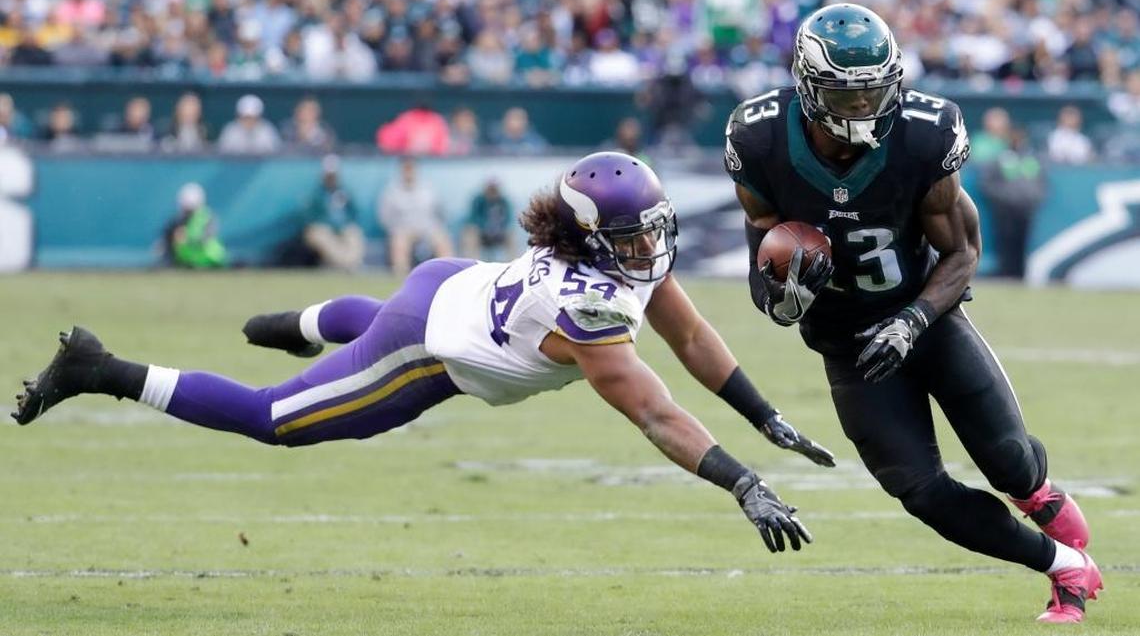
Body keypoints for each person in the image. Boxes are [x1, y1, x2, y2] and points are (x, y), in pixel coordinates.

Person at [13, 152, 835, 555]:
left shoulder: (620, 256)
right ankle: (99, 366)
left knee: (375, 327)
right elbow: (653, 409)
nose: (652, 243)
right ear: (594, 237)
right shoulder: (584, 296)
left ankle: (308, 321)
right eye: (634, 232)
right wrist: (743, 482)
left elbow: (690, 337)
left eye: (654, 226)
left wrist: (765, 416)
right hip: (431, 346)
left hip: (453, 289)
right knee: (278, 420)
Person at [722, 4, 1100, 623]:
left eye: (877, 89)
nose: (868, 107)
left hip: (927, 319)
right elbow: (761, 242)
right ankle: (1064, 568)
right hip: (848, 344)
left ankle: (1037, 492)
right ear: (810, 90)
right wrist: (780, 297)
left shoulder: (924, 133)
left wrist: (912, 321)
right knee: (920, 491)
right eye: (850, 96)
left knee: (1009, 461)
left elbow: (962, 250)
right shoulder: (759, 138)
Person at [979, 128, 1046, 278]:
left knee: (1022, 243)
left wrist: (1034, 197)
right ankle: (1005, 273)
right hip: (1004, 210)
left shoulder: (1031, 159)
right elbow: (987, 184)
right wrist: (1004, 198)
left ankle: (1020, 274)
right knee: (1005, 242)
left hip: (1026, 208)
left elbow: (1041, 182)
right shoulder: (1000, 159)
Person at [377, 157, 453, 275]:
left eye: (411, 168)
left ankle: (448, 275)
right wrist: (395, 229)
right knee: (399, 241)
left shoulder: (429, 188)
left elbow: (441, 211)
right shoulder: (392, 191)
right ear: (401, 171)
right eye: (406, 169)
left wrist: (436, 226)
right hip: (404, 229)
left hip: (428, 228)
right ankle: (401, 277)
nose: (409, 172)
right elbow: (384, 217)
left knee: (442, 239)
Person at [301, 155, 364, 271]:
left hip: (342, 227)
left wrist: (345, 224)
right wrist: (326, 224)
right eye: (329, 175)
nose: (331, 178)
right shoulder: (315, 194)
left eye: (333, 175)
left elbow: (354, 213)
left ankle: (351, 264)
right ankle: (345, 265)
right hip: (322, 228)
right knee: (323, 235)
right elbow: (308, 218)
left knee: (354, 233)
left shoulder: (345, 191)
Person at [162, 183, 227, 269]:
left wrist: (188, 240)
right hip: (188, 262)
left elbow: (206, 238)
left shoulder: (206, 217)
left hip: (211, 260)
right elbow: (166, 240)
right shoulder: (178, 220)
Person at [462, 178, 514, 260]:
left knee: (511, 234)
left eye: (494, 189)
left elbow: (509, 220)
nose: (492, 191)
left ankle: (513, 263)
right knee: (471, 232)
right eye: (490, 188)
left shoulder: (504, 202)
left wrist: (499, 229)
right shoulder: (478, 201)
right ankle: (471, 262)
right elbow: (473, 219)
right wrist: (486, 228)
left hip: (499, 233)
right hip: (482, 233)